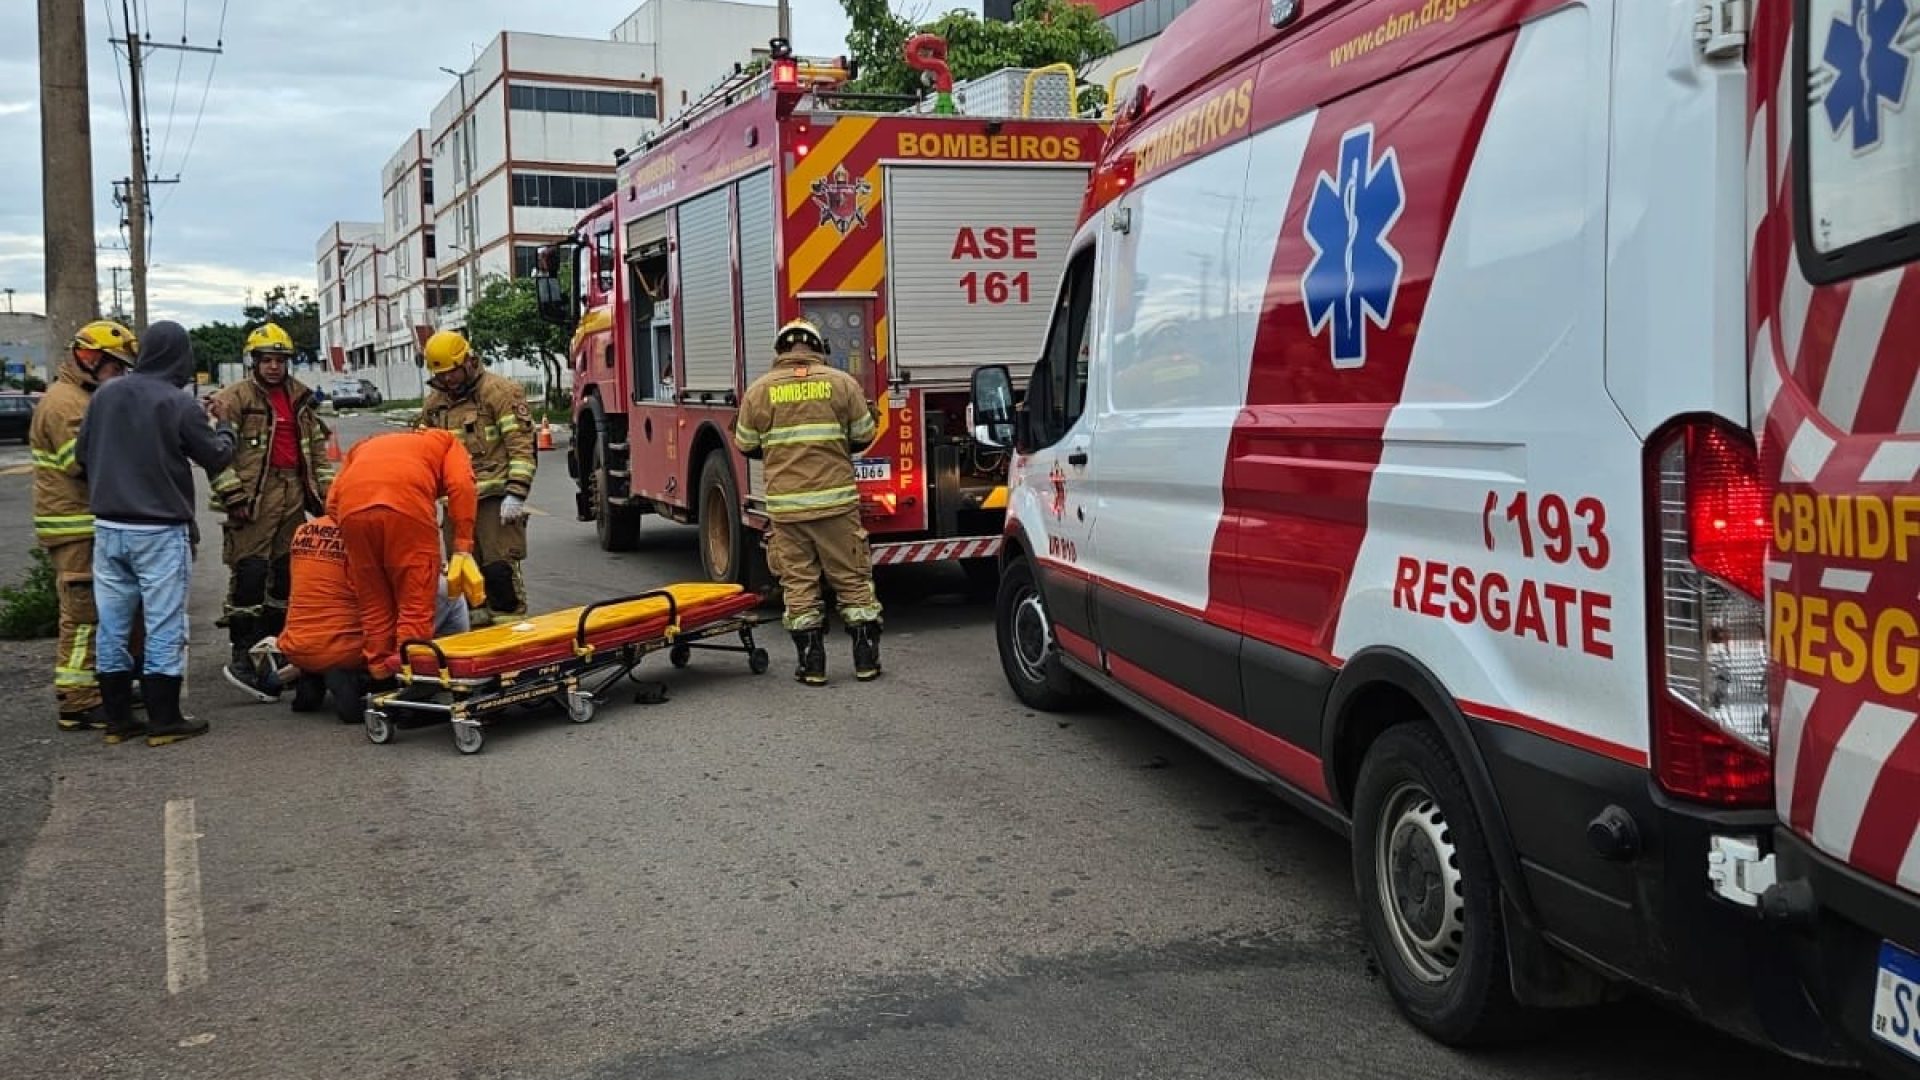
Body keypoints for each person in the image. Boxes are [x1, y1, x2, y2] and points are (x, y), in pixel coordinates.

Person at [76, 320, 236, 746]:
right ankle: (165, 720)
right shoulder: (177, 403)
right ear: (182, 358)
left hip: (108, 527)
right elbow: (216, 456)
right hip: (159, 530)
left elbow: (80, 456)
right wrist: (224, 426)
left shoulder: (104, 395)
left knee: (112, 623)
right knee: (163, 622)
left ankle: (118, 719)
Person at [732, 318, 884, 685]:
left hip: (787, 510)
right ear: (819, 348)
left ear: (780, 350)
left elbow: (745, 443)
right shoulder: (841, 384)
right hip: (837, 506)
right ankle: (865, 660)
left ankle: (811, 664)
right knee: (852, 580)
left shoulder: (760, 391)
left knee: (799, 584)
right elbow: (864, 434)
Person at [210, 322, 333, 701]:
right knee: (250, 572)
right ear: (254, 361)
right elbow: (214, 455)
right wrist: (234, 497)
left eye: (280, 360)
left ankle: (277, 649)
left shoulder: (301, 399)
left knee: (286, 575)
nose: (275, 367)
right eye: (267, 360)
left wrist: (330, 499)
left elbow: (316, 453)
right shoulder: (232, 399)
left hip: (292, 491)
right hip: (253, 497)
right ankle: (243, 653)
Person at [254, 513, 469, 724]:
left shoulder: (304, 530)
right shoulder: (366, 536)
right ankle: (437, 675)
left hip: (297, 645)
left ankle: (307, 674)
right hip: (346, 650)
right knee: (445, 590)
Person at [31, 319, 139, 731]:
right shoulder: (65, 404)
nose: (121, 376)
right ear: (90, 358)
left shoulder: (84, 398)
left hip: (91, 523)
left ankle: (103, 685)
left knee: (106, 612)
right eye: (116, 367)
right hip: (75, 527)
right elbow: (80, 463)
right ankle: (78, 698)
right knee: (82, 616)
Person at [325, 429, 479, 694]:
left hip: (352, 514)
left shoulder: (364, 445)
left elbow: (332, 503)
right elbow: (463, 486)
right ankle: (412, 680)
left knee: (375, 606)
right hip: (407, 511)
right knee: (415, 604)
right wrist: (463, 547)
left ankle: (380, 679)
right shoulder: (449, 444)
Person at [415, 329, 535, 627]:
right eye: (441, 375)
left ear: (468, 361)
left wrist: (516, 494)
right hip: (456, 505)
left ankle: (512, 640)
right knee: (465, 575)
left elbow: (521, 446)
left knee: (499, 574)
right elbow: (424, 453)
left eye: (452, 373)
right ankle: (477, 639)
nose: (448, 381)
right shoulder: (435, 404)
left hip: (494, 502)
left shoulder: (500, 393)